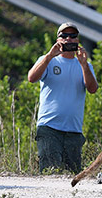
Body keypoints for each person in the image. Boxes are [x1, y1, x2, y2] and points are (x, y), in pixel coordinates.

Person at [28, 22, 98, 173]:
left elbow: (92, 89)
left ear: (78, 40)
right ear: (57, 39)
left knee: (72, 174)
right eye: (64, 36)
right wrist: (49, 56)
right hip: (49, 127)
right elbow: (32, 78)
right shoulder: (47, 60)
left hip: (74, 130)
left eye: (73, 36)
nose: (68, 39)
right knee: (50, 171)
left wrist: (84, 64)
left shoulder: (85, 65)